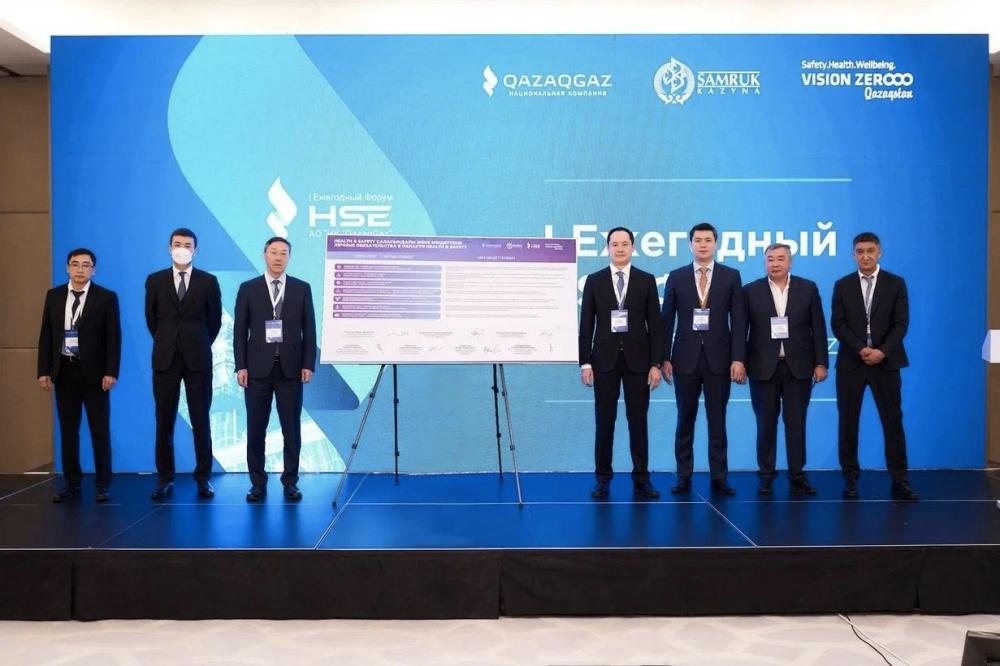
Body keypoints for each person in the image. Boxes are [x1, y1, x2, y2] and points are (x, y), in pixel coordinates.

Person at [661, 222, 747, 495]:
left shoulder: (731, 276)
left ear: (716, 243)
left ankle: (719, 477)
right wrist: (663, 357)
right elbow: (666, 321)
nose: (702, 244)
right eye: (697, 240)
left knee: (717, 421)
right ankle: (683, 476)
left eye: (708, 240)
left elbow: (739, 321)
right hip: (684, 360)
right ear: (690, 244)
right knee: (684, 420)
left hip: (719, 360)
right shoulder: (676, 276)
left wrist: (738, 358)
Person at [831, 231, 917, 500]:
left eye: (870, 251)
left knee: (893, 421)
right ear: (853, 255)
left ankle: (900, 480)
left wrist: (882, 351)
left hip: (886, 362)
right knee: (848, 422)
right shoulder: (842, 285)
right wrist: (860, 349)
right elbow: (838, 324)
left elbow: (901, 324)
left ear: (879, 252)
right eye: (860, 251)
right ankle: (850, 479)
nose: (865, 256)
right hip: (851, 363)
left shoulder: (895, 284)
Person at [579, 227, 664, 499]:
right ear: (607, 248)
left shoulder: (646, 280)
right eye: (614, 244)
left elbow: (656, 326)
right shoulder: (594, 281)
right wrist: (585, 363)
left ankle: (641, 479)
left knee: (638, 422)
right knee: (604, 422)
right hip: (604, 362)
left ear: (632, 248)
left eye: (624, 244)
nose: (619, 249)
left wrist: (656, 364)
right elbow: (586, 325)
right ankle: (602, 478)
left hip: (639, 363)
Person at [234, 237, 316, 501]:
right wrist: (240, 365)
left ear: (289, 257)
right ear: (264, 255)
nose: (278, 257)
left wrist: (308, 364)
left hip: (290, 370)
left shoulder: (302, 288)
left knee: (291, 430)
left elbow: (310, 330)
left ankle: (290, 481)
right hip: (256, 371)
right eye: (273, 252)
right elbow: (239, 331)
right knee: (255, 429)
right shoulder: (248, 288)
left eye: (283, 253)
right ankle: (257, 482)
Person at [743, 243, 828, 495]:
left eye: (781, 259)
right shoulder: (750, 291)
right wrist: (738, 361)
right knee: (765, 424)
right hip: (762, 368)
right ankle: (766, 476)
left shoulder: (808, 288)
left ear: (790, 262)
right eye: (770, 259)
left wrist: (821, 362)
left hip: (798, 368)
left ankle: (797, 476)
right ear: (764, 263)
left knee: (796, 424)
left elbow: (818, 328)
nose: (775, 263)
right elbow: (740, 331)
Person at [37, 248, 121, 502]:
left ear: (93, 270)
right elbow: (46, 335)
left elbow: (113, 338)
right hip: (64, 371)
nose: (80, 269)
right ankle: (72, 484)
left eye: (86, 265)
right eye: (75, 264)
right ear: (67, 268)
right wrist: (43, 370)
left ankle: (103, 485)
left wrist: (110, 372)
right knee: (68, 431)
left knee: (99, 431)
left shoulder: (106, 297)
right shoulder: (54, 296)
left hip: (95, 375)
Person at [145, 228, 222, 499]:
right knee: (164, 421)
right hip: (165, 360)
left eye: (187, 245)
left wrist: (197, 342)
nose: (182, 248)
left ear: (195, 250)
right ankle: (165, 478)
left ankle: (203, 477)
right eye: (177, 244)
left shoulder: (208, 281)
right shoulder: (155, 280)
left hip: (198, 359)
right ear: (169, 248)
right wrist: (168, 341)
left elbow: (214, 321)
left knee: (201, 420)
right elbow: (151, 319)